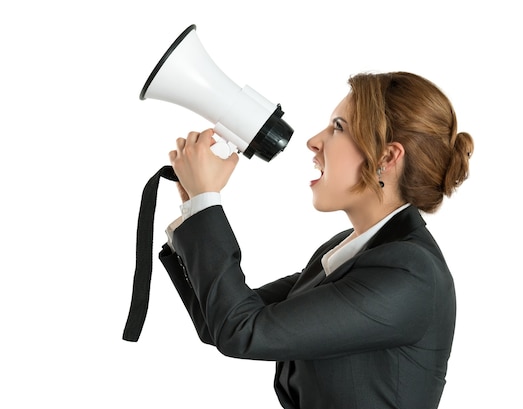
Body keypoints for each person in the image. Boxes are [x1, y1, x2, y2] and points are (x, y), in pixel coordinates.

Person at [160, 71, 473, 409]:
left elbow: (242, 330)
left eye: (338, 127)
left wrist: (206, 201)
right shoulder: (346, 251)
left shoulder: (410, 275)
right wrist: (196, 204)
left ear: (386, 158)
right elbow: (220, 321)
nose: (314, 140)